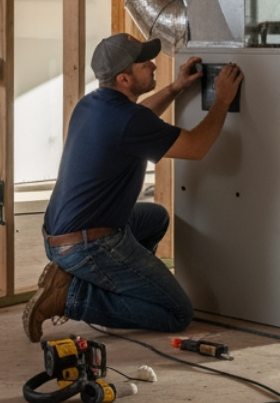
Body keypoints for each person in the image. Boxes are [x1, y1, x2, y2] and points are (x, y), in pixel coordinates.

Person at [23, 33, 242, 341]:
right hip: (88, 245)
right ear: (124, 78)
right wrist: (222, 100)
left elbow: (142, 116)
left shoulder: (92, 104)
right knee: (177, 314)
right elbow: (197, 147)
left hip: (61, 236)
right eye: (144, 62)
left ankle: (108, 284)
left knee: (155, 218)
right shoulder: (128, 120)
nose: (153, 64)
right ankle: (71, 297)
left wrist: (177, 87)